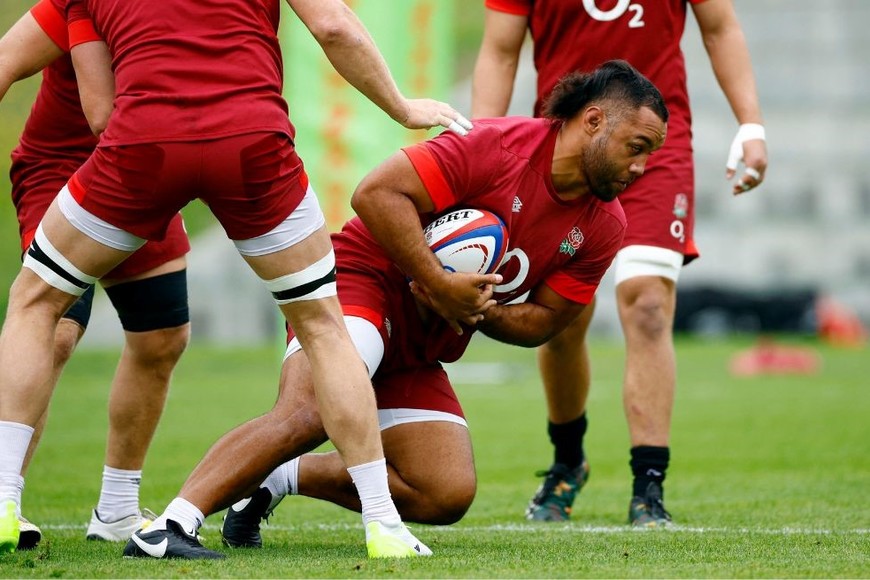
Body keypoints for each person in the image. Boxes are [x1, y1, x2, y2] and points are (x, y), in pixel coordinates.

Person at [0, 0, 474, 559]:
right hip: (251, 143)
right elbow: (334, 25)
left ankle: (5, 500)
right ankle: (383, 524)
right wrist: (402, 107)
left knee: (35, 302)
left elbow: (101, 112)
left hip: (144, 147)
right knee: (323, 327)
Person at [206, 60, 666, 552]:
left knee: (443, 492)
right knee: (308, 413)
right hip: (366, 285)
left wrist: (476, 307)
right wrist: (437, 281)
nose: (640, 168)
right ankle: (173, 521)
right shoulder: (494, 145)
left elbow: (546, 321)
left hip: (422, 344)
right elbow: (374, 194)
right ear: (594, 120)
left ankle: (278, 477)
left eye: (649, 154)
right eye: (635, 147)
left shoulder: (606, 224)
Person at [471, 0, 768, 526]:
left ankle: (648, 486)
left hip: (653, 148)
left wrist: (751, 124)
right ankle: (568, 461)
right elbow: (499, 50)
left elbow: (721, 26)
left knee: (647, 302)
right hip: (568, 146)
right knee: (562, 319)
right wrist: (481, 144)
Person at [0, 1, 191, 551]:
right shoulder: (76, 4)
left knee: (162, 338)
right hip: (62, 167)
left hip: (141, 168)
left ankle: (117, 510)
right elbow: (6, 61)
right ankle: (3, 495)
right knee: (56, 324)